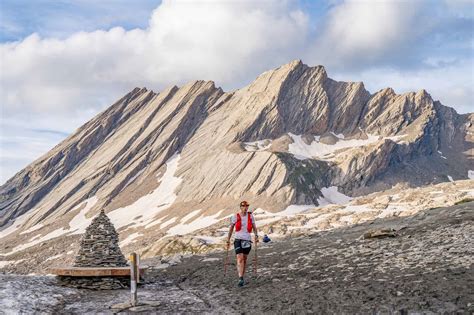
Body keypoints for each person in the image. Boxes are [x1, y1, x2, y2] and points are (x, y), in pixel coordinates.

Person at [226, 200, 258, 287]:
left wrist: (256, 235)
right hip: (238, 240)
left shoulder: (250, 216)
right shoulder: (235, 216)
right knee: (239, 258)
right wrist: (228, 239)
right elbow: (231, 228)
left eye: (247, 206)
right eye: (243, 206)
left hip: (247, 240)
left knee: (244, 259)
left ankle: (242, 276)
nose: (245, 208)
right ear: (240, 207)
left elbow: (254, 227)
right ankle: (240, 278)